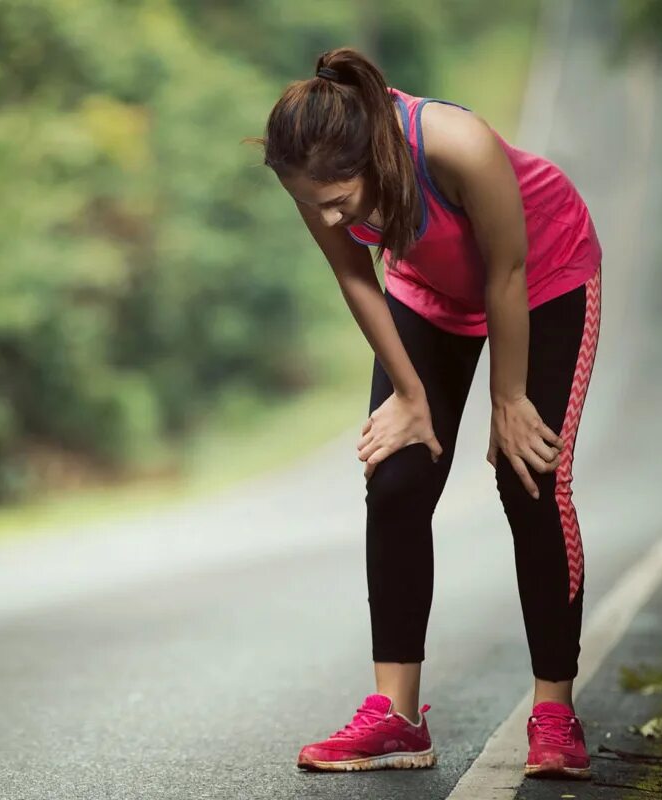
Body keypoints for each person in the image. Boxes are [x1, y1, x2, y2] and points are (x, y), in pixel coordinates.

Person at [247, 47, 602, 780]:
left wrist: (508, 402)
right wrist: (410, 397)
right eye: (312, 203)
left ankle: (555, 713)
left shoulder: (456, 146)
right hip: (427, 292)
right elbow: (357, 276)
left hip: (543, 278)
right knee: (397, 477)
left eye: (340, 199)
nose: (328, 215)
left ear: (375, 155)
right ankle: (397, 719)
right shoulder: (310, 174)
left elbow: (506, 270)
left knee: (529, 476)